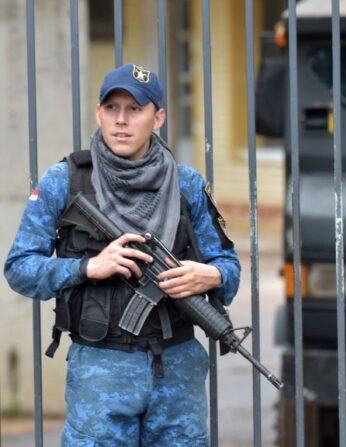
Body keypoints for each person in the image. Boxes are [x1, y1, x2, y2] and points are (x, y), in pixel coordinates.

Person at [4, 63, 241, 446]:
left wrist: (211, 276)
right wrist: (86, 267)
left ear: (158, 117)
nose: (121, 121)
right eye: (112, 108)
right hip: (100, 371)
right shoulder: (64, 181)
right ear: (98, 113)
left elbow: (228, 267)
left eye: (135, 109)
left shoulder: (187, 185)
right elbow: (19, 269)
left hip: (178, 370)